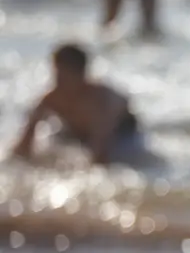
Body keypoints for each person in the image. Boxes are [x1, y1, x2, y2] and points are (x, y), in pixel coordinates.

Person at [9, 43, 142, 166]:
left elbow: (100, 154)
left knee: (121, 156)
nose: (58, 83)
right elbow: (24, 143)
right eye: (56, 76)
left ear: (81, 75)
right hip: (78, 133)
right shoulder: (52, 98)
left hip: (122, 134)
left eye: (63, 77)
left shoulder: (98, 102)